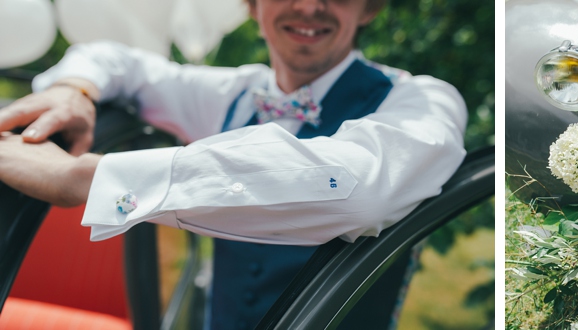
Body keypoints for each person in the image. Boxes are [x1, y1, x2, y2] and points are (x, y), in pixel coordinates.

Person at [0, 0, 467, 329]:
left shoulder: (422, 100)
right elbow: (113, 57)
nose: (309, 5)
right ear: (251, 4)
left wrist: (86, 178)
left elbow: (359, 189)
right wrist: (74, 90)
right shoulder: (233, 94)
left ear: (369, 7)